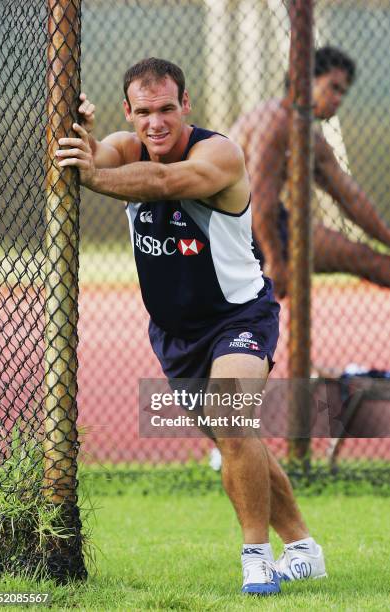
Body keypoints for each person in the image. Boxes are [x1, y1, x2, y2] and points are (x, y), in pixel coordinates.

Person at [56, 58, 326, 595]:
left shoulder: (218, 154)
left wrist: (91, 174)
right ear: (129, 113)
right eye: (144, 112)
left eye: (167, 109)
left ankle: (256, 556)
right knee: (237, 440)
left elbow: (161, 182)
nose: (156, 123)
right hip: (175, 336)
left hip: (239, 316)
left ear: (186, 107)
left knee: (231, 416)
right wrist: (74, 133)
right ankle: (303, 547)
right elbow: (93, 156)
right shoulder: (124, 149)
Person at [230, 46, 390, 298]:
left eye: (343, 93)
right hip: (230, 225)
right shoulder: (274, 121)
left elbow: (352, 199)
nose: (338, 99)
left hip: (271, 221)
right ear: (305, 81)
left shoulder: (311, 139)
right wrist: (275, 260)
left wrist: (387, 238)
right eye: (333, 88)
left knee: (366, 259)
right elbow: (258, 198)